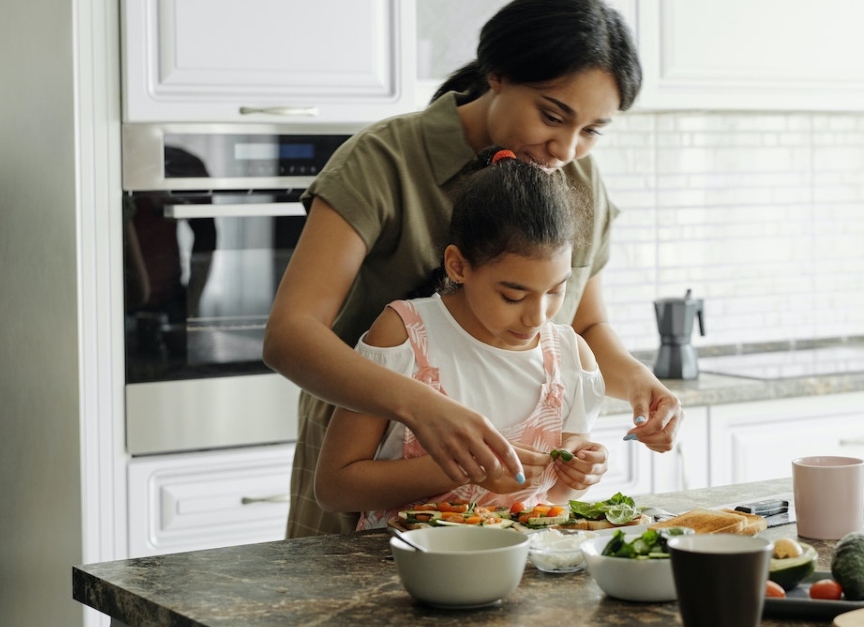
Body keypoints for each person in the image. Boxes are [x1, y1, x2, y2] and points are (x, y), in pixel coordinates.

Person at [263, 0, 683, 536]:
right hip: (370, 458)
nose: (567, 147)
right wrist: (423, 408)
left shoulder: (577, 177)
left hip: (504, 515)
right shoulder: (383, 160)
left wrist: (643, 384)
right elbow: (289, 335)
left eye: (592, 130)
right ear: (497, 76)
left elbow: (585, 327)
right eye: (552, 116)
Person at [315, 147, 606, 528]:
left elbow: (554, 499)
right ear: (458, 265)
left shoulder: (571, 357)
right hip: (401, 571)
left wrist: (578, 476)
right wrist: (462, 469)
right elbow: (334, 488)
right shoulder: (404, 336)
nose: (538, 316)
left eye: (556, 290)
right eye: (513, 296)